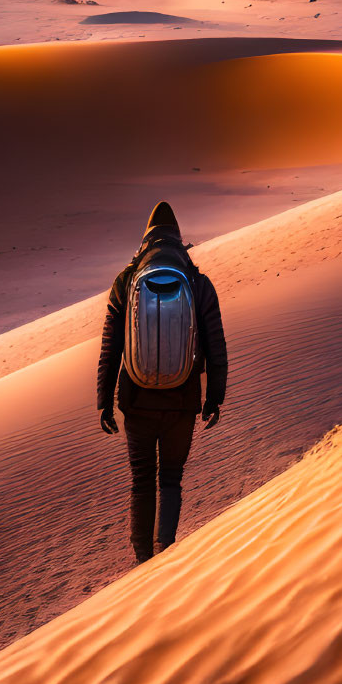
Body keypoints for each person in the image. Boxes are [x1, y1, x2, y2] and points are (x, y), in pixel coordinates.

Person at [96, 201, 228, 562]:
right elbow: (216, 346)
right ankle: (164, 554)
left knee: (142, 480)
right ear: (178, 240)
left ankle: (143, 561)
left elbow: (111, 349)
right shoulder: (198, 284)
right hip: (182, 401)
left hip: (136, 401)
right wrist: (214, 399)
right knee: (170, 478)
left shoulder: (125, 282)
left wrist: (103, 402)